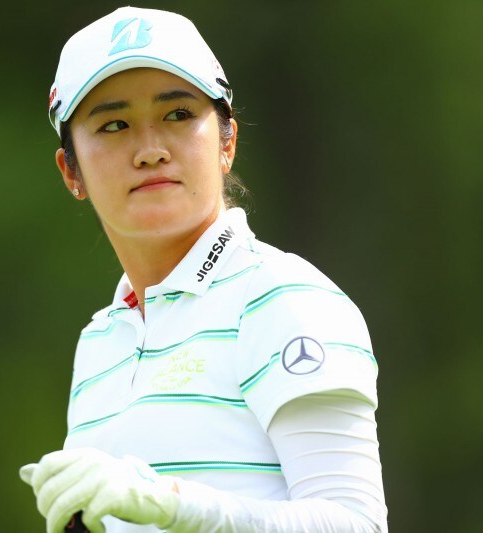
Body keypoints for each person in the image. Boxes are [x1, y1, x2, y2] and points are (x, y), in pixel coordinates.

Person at [20, 6, 388, 533]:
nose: (150, 151)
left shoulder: (285, 297)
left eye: (177, 114)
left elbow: (355, 524)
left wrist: (171, 504)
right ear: (71, 171)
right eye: (114, 125)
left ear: (227, 141)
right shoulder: (99, 342)